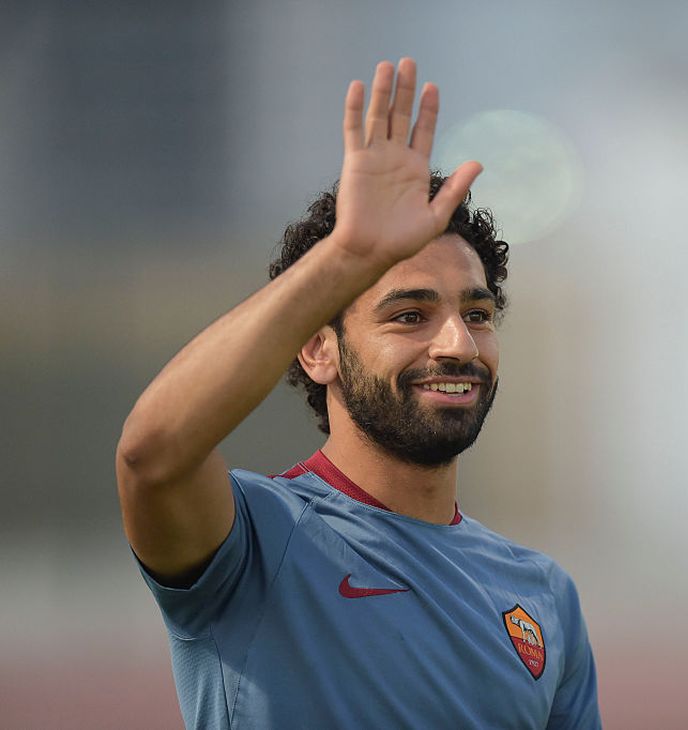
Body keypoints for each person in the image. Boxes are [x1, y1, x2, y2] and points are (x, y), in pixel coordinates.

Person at [116, 58, 600, 729]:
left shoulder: (542, 594)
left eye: (479, 314)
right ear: (318, 349)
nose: (458, 344)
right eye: (409, 315)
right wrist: (348, 257)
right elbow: (151, 455)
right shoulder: (254, 541)